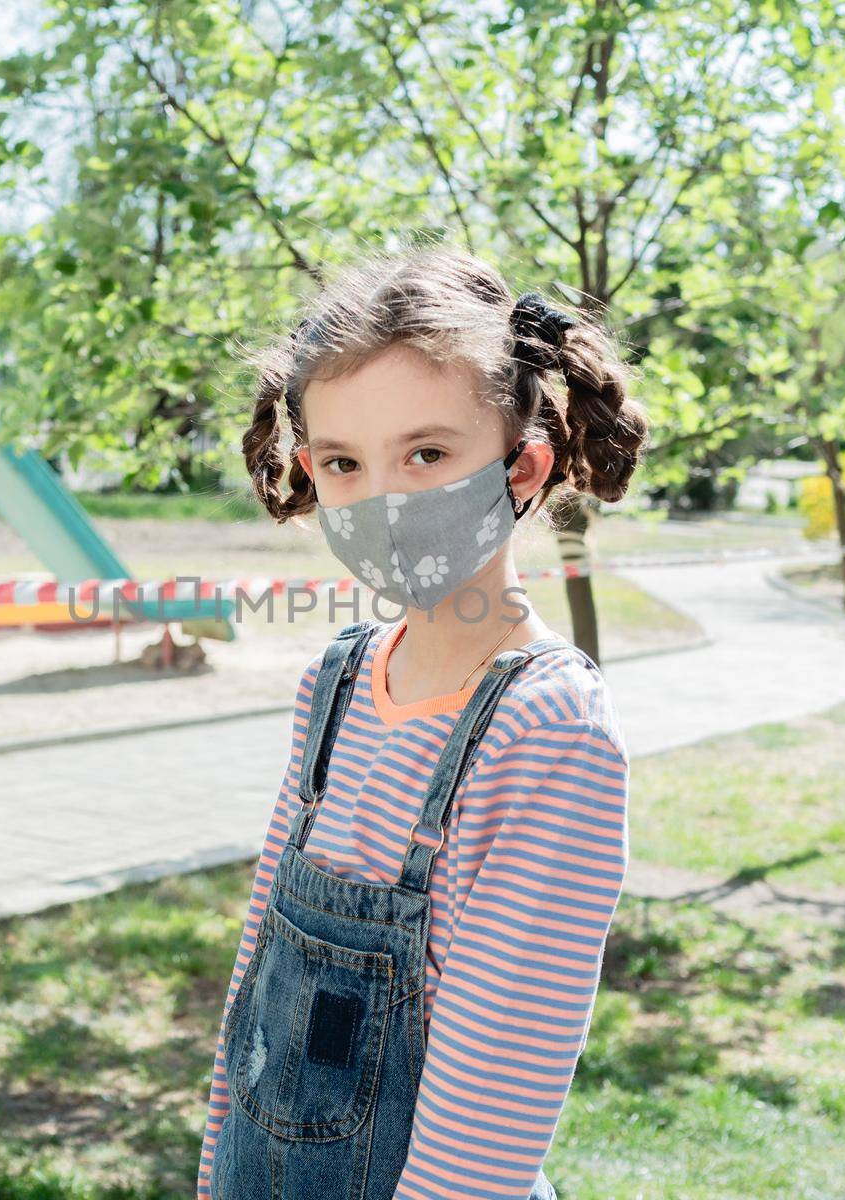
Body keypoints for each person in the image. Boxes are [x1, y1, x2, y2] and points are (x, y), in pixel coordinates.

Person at [197, 245, 650, 1200]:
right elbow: (255, 987)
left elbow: (488, 1123)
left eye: (428, 454)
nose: (386, 501)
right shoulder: (337, 683)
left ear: (522, 466)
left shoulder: (546, 727)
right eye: (345, 465)